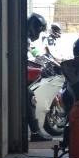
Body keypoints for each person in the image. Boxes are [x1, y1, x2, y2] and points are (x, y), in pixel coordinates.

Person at [25, 13, 52, 142]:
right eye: (39, 30)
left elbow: (31, 54)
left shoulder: (24, 37)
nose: (39, 33)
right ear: (34, 27)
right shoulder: (23, 38)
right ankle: (35, 132)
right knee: (29, 96)